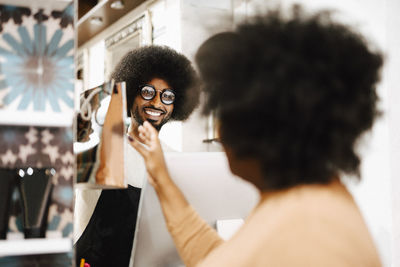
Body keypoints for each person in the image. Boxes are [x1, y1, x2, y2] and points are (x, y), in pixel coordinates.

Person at [129, 6, 383, 267]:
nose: (220, 131)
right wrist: (160, 176)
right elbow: (226, 258)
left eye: (223, 110)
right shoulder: (309, 200)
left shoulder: (313, 232)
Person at [74, 45, 200, 267]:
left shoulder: (176, 162)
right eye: (148, 92)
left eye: (167, 96)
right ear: (131, 94)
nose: (157, 103)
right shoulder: (103, 150)